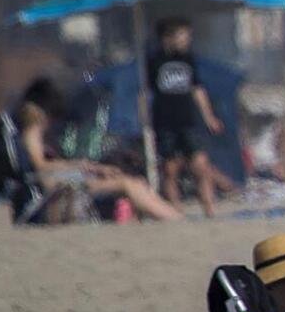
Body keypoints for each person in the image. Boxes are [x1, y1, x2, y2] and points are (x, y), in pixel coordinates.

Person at [11, 77, 182, 223]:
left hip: (64, 182)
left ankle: (171, 216)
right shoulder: (32, 133)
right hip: (56, 187)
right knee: (128, 184)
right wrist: (84, 166)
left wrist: (90, 168)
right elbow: (41, 167)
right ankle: (174, 219)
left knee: (132, 183)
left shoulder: (38, 136)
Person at [148, 17, 224, 217]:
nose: (187, 40)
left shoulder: (188, 60)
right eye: (183, 36)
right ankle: (175, 209)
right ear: (168, 37)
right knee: (171, 169)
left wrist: (209, 118)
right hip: (165, 121)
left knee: (201, 165)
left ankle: (209, 207)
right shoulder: (153, 61)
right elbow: (144, 93)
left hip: (188, 121)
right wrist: (143, 120)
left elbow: (197, 90)